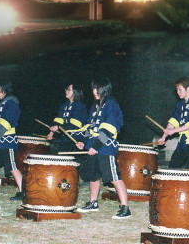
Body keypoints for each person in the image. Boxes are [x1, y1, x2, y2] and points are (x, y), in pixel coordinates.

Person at [75, 79, 130, 219]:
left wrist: (96, 146)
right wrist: (83, 142)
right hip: (94, 145)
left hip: (106, 147)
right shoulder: (95, 106)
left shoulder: (112, 105)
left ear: (104, 90)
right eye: (93, 89)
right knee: (93, 176)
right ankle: (93, 203)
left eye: (97, 89)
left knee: (113, 176)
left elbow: (110, 128)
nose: (94, 92)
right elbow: (90, 127)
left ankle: (125, 207)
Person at [157, 77, 189, 168]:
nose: (178, 92)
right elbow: (173, 122)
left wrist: (174, 131)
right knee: (172, 167)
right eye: (177, 90)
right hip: (183, 141)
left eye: (180, 90)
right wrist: (163, 137)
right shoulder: (179, 105)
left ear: (188, 89)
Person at [46, 82, 89, 154]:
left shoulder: (79, 105)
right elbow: (59, 120)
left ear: (75, 92)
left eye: (69, 90)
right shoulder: (65, 105)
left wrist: (58, 128)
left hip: (75, 140)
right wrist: (52, 132)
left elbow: (75, 125)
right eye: (66, 89)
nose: (66, 91)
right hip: (65, 139)